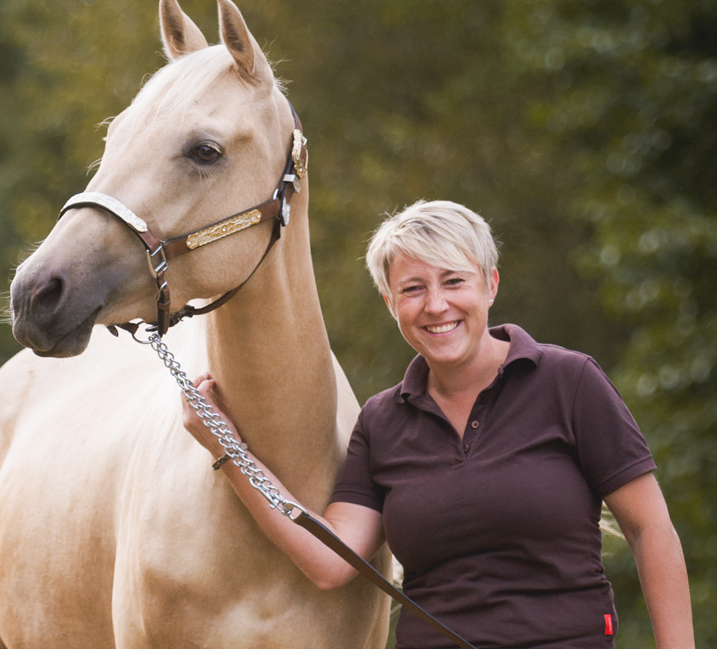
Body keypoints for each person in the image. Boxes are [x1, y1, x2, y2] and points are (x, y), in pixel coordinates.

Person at [182, 200, 694, 648]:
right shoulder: (381, 421)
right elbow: (329, 561)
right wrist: (228, 449)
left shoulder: (569, 381)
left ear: (490, 285)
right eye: (412, 289)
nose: (436, 305)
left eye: (454, 281)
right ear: (390, 303)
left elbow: (650, 529)